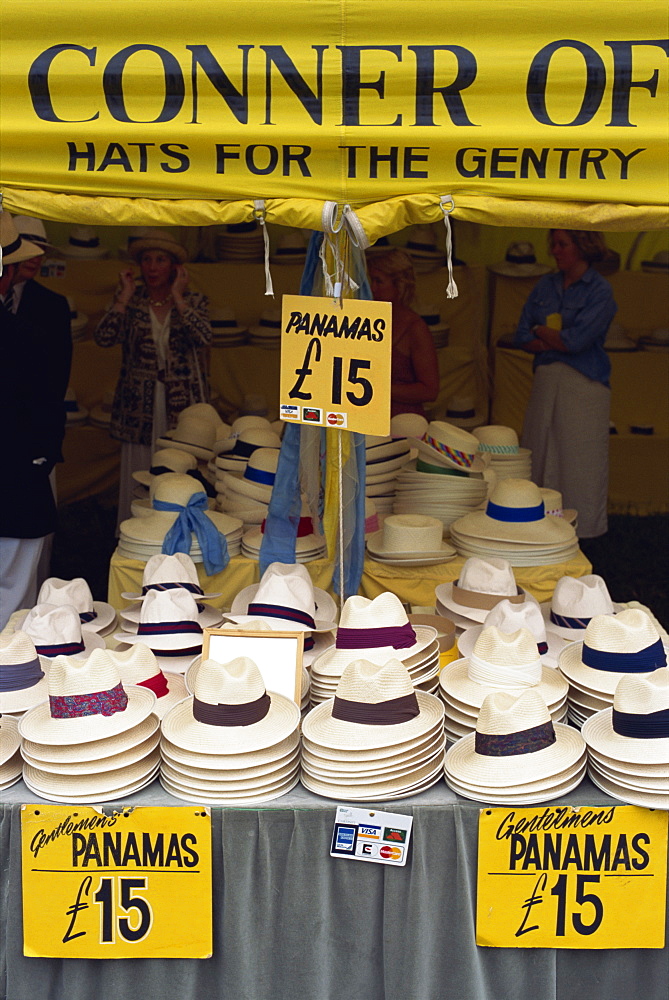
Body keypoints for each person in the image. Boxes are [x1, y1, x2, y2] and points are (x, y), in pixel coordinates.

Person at [95, 228, 212, 522]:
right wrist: (123, 297)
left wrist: (178, 297)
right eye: (147, 259)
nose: (152, 267)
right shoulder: (131, 300)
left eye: (160, 260)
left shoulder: (195, 300)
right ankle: (135, 529)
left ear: (175, 266)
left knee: (179, 464)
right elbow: (104, 338)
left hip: (181, 403)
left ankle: (176, 525)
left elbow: (204, 338)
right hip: (138, 405)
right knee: (139, 464)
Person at [514, 229, 617, 539]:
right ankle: (538, 527)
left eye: (562, 244)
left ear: (583, 246)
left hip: (583, 385)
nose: (555, 251)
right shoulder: (546, 285)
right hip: (546, 381)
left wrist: (542, 332)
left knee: (580, 462)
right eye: (553, 244)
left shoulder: (600, 291)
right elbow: (521, 335)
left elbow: (576, 341)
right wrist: (552, 339)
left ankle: (583, 532)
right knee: (539, 449)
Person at [0, 212, 64, 628]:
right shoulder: (21, 338)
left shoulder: (28, 329)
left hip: (16, 485)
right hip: (14, 491)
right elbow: (44, 407)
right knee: (12, 605)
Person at [367, 249, 439, 417]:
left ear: (399, 285)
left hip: (403, 423)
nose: (372, 288)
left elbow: (430, 390)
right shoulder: (368, 320)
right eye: (371, 281)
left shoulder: (415, 328)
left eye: (379, 281)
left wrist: (377, 389)